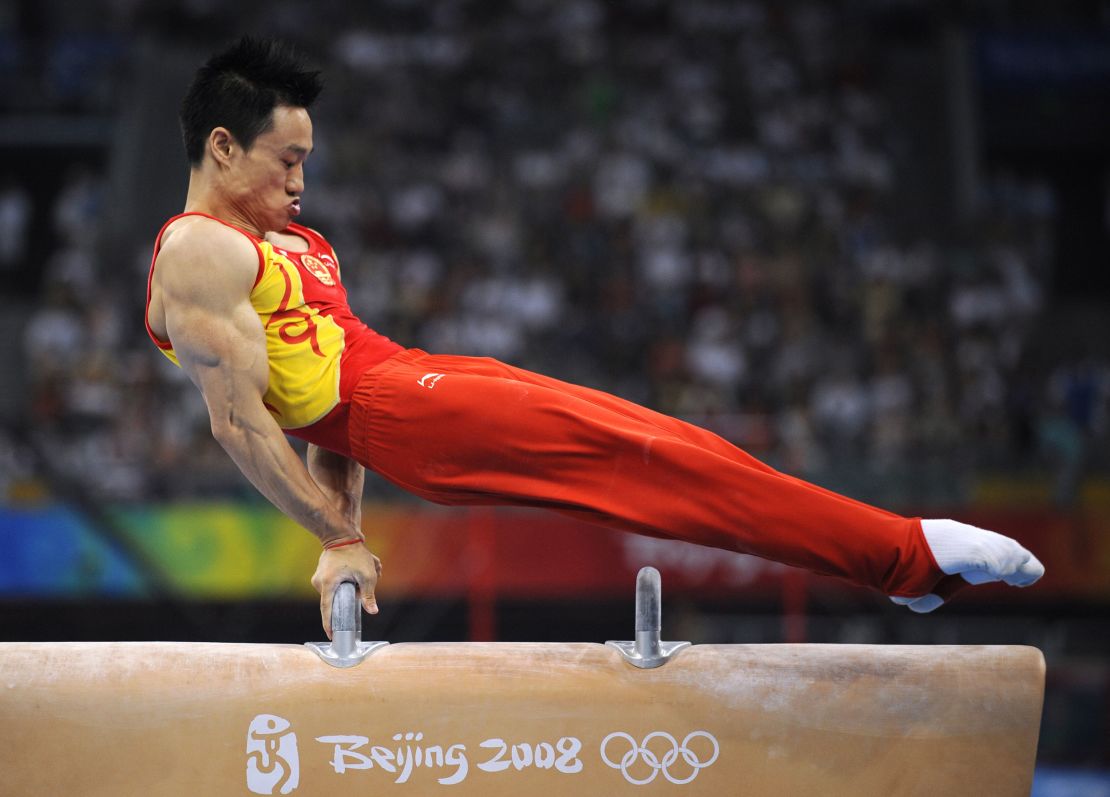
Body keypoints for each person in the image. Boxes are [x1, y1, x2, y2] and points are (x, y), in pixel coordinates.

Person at [145, 37, 1043, 638]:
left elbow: (313, 420)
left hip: (411, 389)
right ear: (222, 148)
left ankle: (899, 563)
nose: (302, 182)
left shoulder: (294, 244)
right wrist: (334, 538)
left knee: (678, 450)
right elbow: (243, 425)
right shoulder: (197, 254)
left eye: (308, 161)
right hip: (401, 409)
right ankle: (906, 554)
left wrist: (342, 525)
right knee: (651, 465)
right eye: (286, 161)